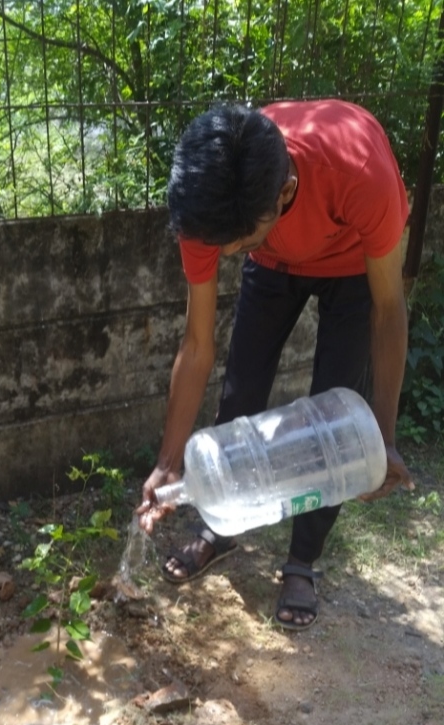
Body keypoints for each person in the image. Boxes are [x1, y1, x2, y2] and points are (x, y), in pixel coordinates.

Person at [137, 99, 415, 630]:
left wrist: (382, 435)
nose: (223, 255)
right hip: (273, 260)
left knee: (332, 421)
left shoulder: (359, 171)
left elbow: (388, 310)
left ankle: (301, 563)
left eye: (235, 244)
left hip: (351, 266)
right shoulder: (213, 203)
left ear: (285, 192)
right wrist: (169, 463)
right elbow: (197, 346)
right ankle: (219, 531)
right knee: (240, 393)